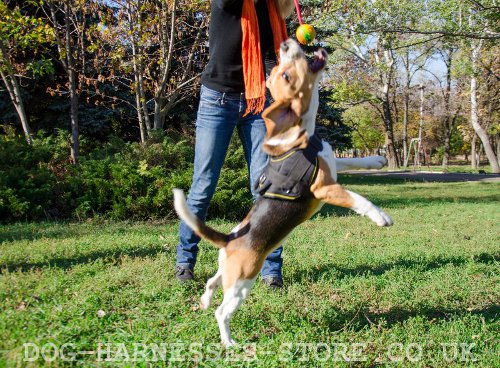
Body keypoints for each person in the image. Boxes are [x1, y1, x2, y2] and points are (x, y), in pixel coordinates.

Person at [175, 0, 291, 288]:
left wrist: (276, 80)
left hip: (258, 101)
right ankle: (185, 261)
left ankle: (270, 269)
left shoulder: (269, 8)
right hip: (218, 99)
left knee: (264, 188)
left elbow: (267, 53)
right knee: (203, 185)